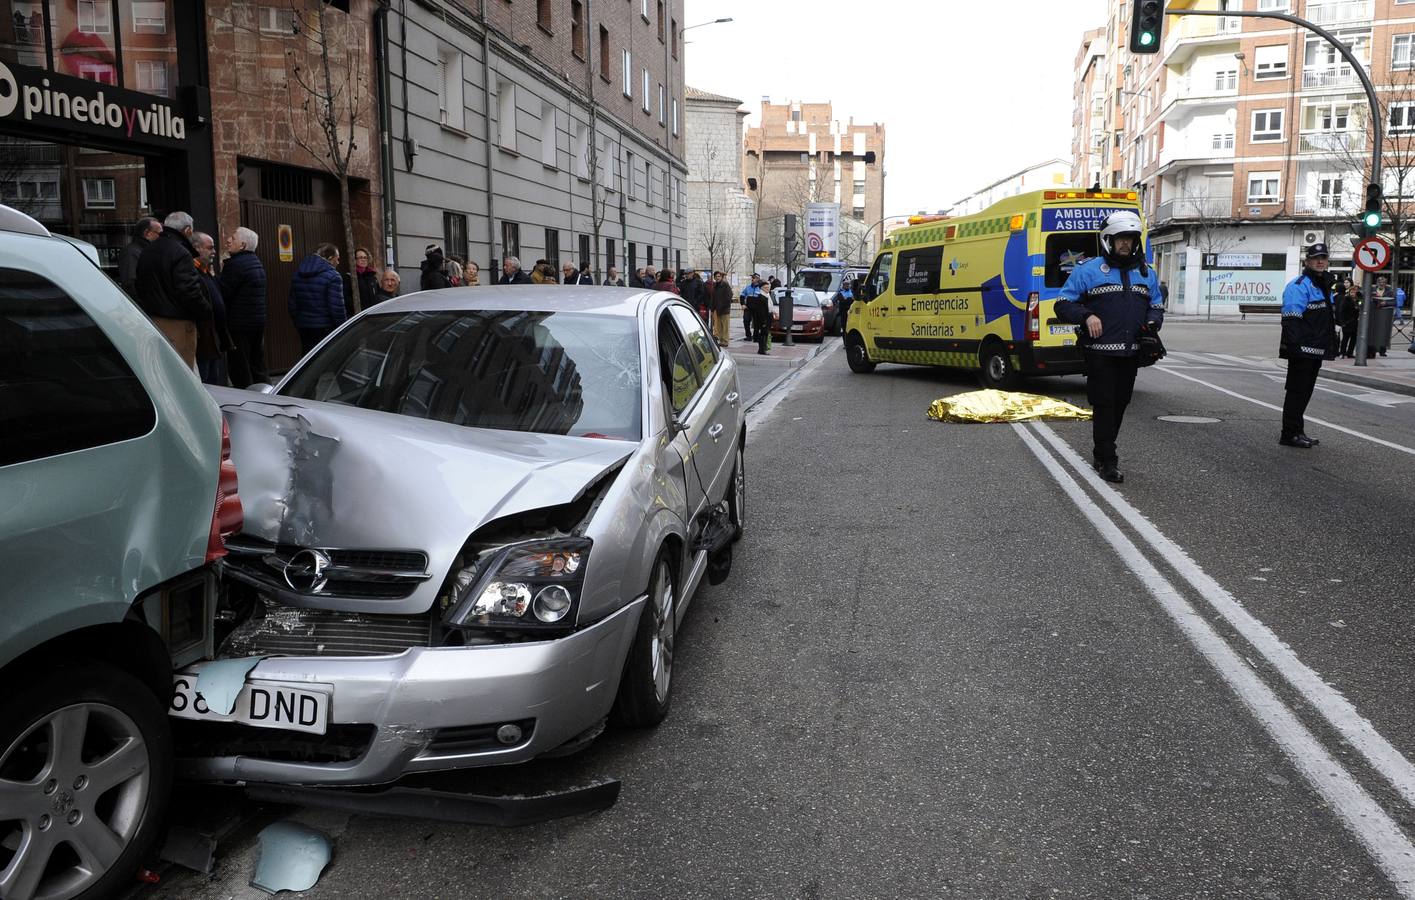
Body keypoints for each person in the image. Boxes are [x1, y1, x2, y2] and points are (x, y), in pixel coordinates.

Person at [1054, 209, 1163, 483]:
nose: (1125, 243)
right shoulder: (1088, 270)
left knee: (1120, 403)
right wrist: (1086, 315)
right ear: (1108, 241)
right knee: (1104, 404)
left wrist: (1151, 324)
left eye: (1130, 238)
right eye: (1120, 239)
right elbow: (1063, 303)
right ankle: (1108, 461)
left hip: (1130, 352)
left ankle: (1102, 451)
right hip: (1099, 353)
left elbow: (1157, 305)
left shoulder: (1146, 273)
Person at [1276, 243, 1338, 449]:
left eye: (1323, 258)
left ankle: (1297, 431)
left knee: (1305, 392)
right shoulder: (1299, 285)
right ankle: (1289, 434)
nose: (1320, 261)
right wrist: (1294, 348)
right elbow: (1291, 319)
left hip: (1315, 349)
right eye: (1315, 258)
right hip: (1301, 350)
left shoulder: (1323, 285)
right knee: (1296, 392)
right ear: (1307, 261)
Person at [135, 211, 211, 371]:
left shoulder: (147, 250)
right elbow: (189, 291)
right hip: (178, 325)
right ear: (188, 230)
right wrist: (206, 311)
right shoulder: (181, 253)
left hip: (153, 321)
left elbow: (139, 286)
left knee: (162, 373)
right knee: (182, 373)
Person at [220, 225, 268, 387]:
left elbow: (223, 292)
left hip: (239, 324)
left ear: (242, 246)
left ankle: (246, 397)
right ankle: (265, 393)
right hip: (255, 321)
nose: (228, 240)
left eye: (232, 238)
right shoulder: (255, 262)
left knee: (240, 365)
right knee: (256, 363)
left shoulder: (236, 265)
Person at [288, 242, 347, 355]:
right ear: (330, 258)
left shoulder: (298, 273)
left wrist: (299, 321)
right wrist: (342, 327)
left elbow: (292, 304)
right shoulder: (334, 276)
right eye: (337, 258)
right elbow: (337, 308)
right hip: (325, 327)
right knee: (325, 360)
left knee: (307, 358)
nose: (338, 262)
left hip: (304, 325)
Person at [191, 232, 232, 386]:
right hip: (204, 339)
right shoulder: (192, 272)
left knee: (213, 379)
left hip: (213, 338)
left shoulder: (206, 271)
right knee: (205, 381)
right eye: (210, 248)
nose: (214, 252)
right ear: (196, 248)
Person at [118, 216, 160, 298]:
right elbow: (130, 284)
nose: (161, 237)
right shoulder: (131, 253)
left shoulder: (147, 251)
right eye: (159, 233)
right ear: (147, 233)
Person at [744, 278, 772, 355]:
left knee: (765, 334)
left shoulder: (767, 296)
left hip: (768, 317)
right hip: (763, 319)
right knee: (763, 334)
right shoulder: (761, 297)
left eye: (768, 287)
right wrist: (764, 321)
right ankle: (762, 349)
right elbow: (761, 311)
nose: (767, 289)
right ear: (762, 289)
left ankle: (763, 349)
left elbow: (769, 307)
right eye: (765, 288)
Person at [739, 274, 768, 347]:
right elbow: (742, 295)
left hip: (757, 309)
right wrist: (742, 304)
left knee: (756, 323)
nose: (752, 279)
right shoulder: (748, 287)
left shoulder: (760, 288)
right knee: (746, 320)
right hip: (748, 308)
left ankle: (756, 337)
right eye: (752, 278)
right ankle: (748, 335)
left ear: (758, 279)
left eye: (754, 278)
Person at [711, 271, 734, 346]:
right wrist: (713, 308)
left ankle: (725, 341)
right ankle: (721, 340)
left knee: (725, 326)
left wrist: (724, 306)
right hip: (718, 309)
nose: (717, 278)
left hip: (724, 309)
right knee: (719, 326)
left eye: (719, 276)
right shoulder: (715, 286)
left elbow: (729, 296)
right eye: (716, 276)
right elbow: (714, 298)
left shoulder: (725, 285)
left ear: (721, 277)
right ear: (714, 277)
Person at [1337, 279, 1359, 359]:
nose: (1353, 294)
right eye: (1352, 292)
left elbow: (1361, 305)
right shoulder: (1346, 299)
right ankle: (1342, 353)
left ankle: (1350, 353)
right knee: (1345, 338)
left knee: (1353, 339)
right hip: (1347, 322)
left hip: (1355, 323)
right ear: (1349, 292)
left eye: (1355, 292)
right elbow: (1341, 311)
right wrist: (1343, 322)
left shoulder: (1357, 300)